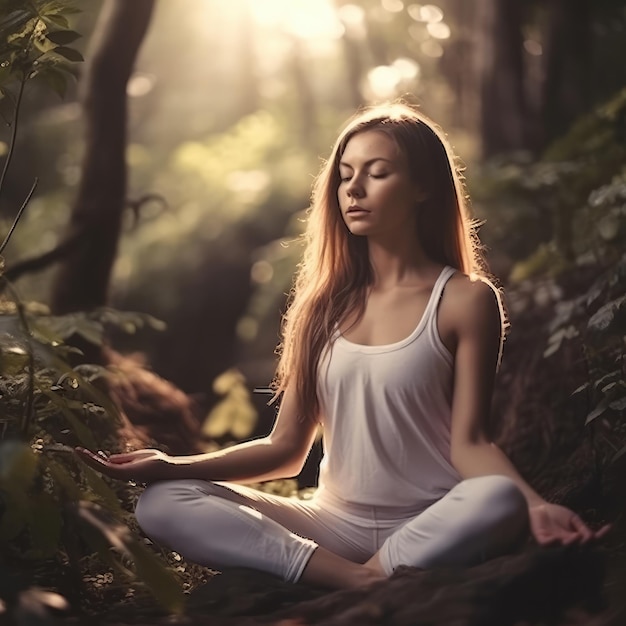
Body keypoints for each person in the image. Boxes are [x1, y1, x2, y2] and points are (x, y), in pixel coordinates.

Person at [76, 103, 609, 590]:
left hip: (434, 517)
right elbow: (285, 450)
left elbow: (470, 443)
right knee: (163, 503)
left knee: (498, 497)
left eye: (377, 174)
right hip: (331, 522)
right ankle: (361, 580)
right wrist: (171, 464)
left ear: (423, 186)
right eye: (345, 176)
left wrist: (535, 505)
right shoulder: (321, 307)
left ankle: (353, 576)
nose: (354, 190)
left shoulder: (465, 301)